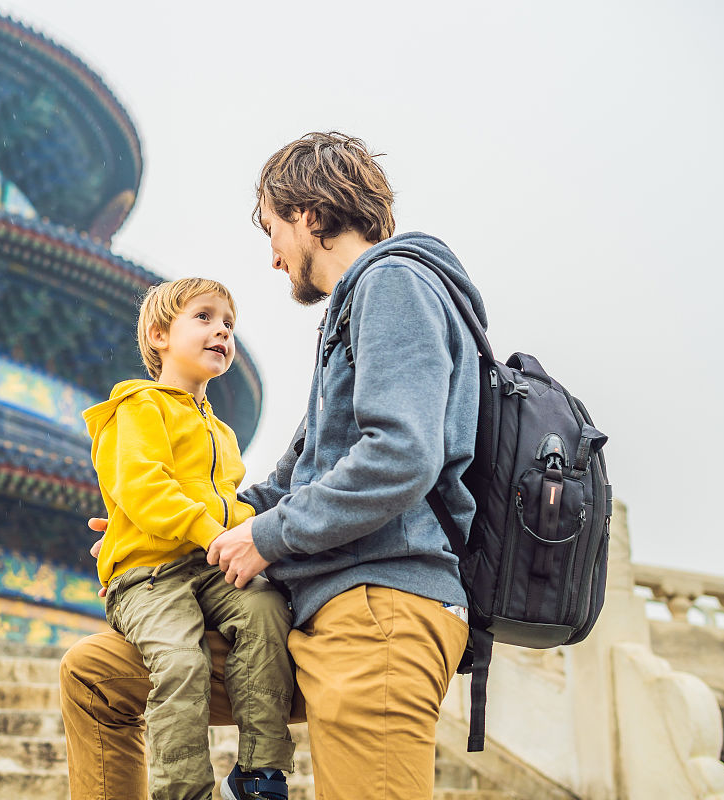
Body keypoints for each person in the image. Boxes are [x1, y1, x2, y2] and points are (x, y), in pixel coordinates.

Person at [61, 132, 484, 799]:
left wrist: (264, 536)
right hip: (313, 605)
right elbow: (290, 481)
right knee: (95, 676)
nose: (273, 253)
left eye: (271, 228)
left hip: (376, 604)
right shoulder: (351, 313)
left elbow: (401, 455)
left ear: (309, 215)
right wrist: (174, 520)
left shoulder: (393, 283)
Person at [81, 277, 295, 800]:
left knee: (266, 609)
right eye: (204, 316)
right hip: (148, 578)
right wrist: (213, 533)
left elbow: (232, 504)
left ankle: (260, 772)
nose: (222, 330)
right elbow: (144, 489)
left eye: (229, 324)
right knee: (181, 662)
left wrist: (250, 533)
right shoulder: (138, 408)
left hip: (208, 568)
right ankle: (183, 791)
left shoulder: (223, 433)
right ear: (159, 335)